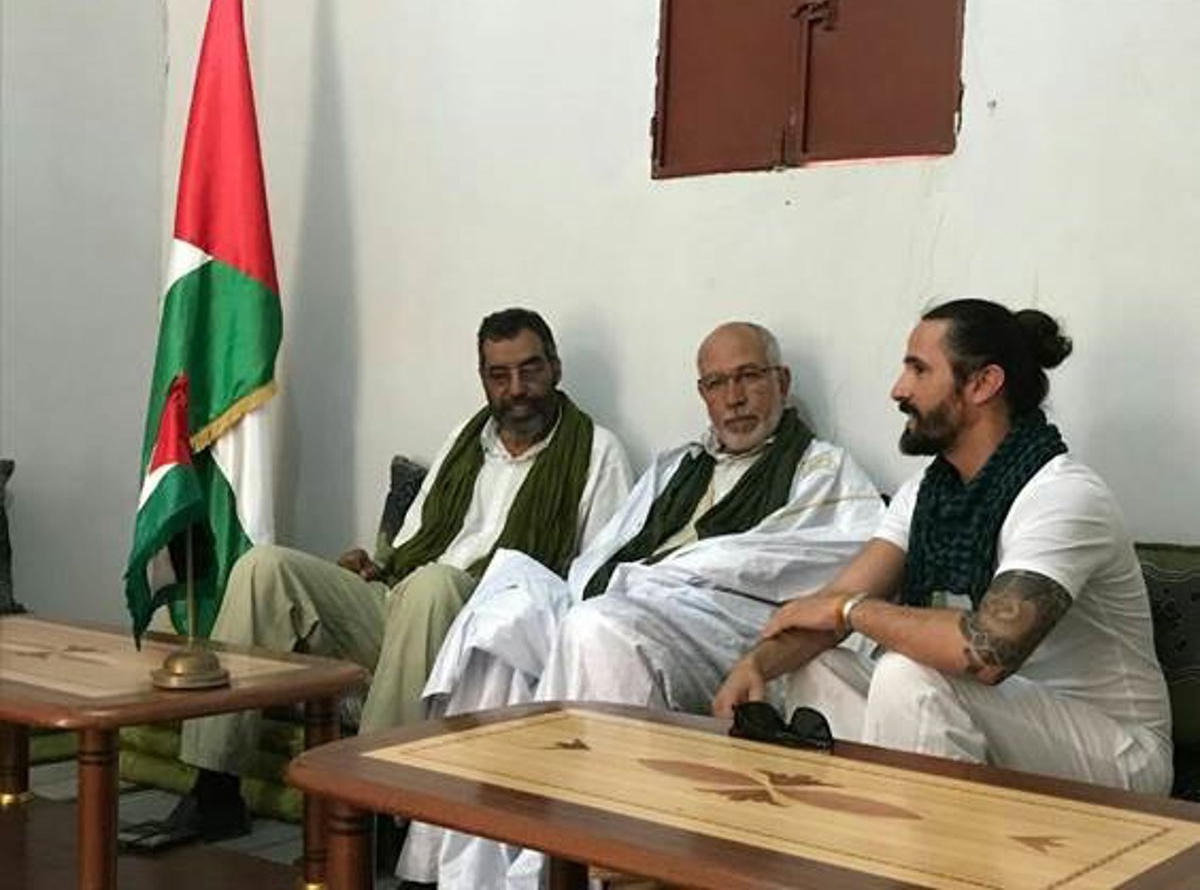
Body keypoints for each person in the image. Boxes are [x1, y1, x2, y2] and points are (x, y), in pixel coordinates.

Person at [400, 321, 883, 888]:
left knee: (597, 626)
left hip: (728, 627)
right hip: (641, 600)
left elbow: (824, 561)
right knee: (500, 616)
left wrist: (672, 573)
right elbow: (608, 551)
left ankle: (566, 866)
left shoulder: (824, 469)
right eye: (716, 383)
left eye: (749, 377)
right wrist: (620, 582)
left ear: (782, 380)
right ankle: (455, 865)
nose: (734, 398)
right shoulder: (678, 465)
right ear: (702, 393)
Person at [139, 308, 633, 847]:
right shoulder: (467, 440)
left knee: (435, 584)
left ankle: (373, 803)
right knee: (264, 567)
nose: (517, 388)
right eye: (500, 374)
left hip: (492, 628)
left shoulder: (597, 452)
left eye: (530, 369)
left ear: (555, 368)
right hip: (409, 600)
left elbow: (594, 581)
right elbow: (413, 542)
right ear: (483, 379)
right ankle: (214, 788)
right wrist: (374, 566)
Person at [715, 299, 1173, 799]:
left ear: (982, 384)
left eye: (918, 369)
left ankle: (913, 843)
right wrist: (756, 665)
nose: (898, 389)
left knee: (907, 675)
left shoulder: (1063, 496)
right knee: (815, 664)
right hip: (1005, 719)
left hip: (1119, 754)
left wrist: (850, 611)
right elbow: (830, 605)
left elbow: (987, 651)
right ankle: (865, 828)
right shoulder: (926, 494)